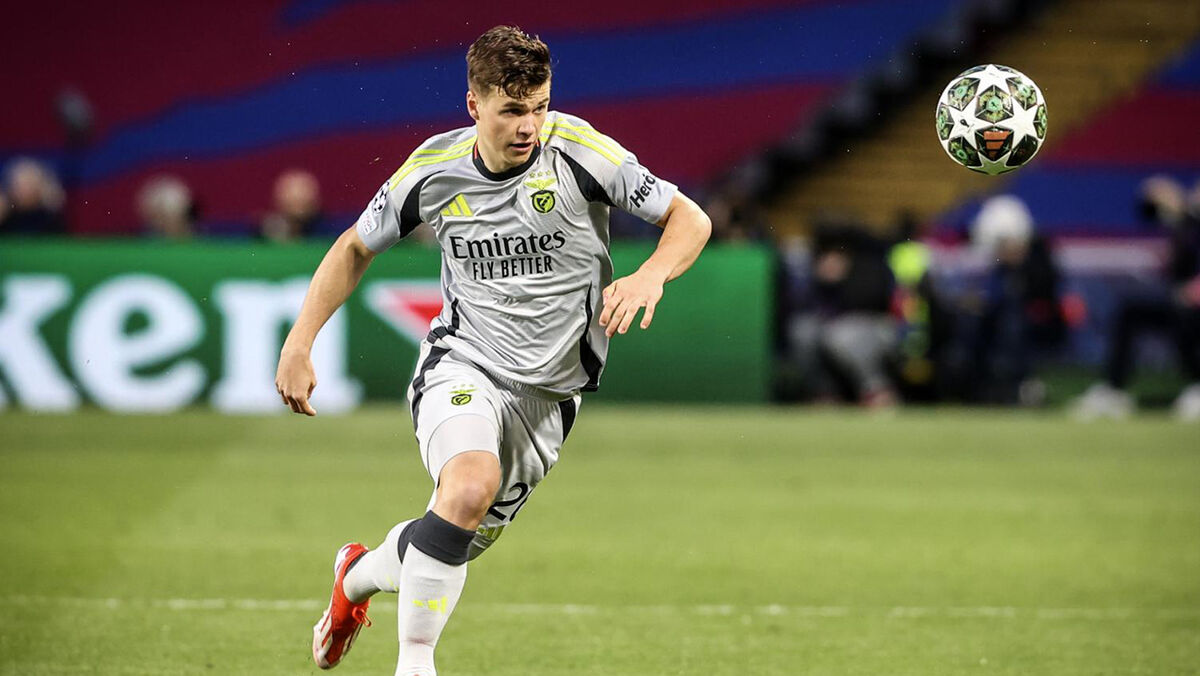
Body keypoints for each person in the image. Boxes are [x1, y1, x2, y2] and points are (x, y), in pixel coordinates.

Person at [274, 26, 711, 674]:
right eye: (512, 110)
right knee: (470, 484)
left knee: (452, 533)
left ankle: (355, 578)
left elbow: (690, 218)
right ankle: (415, 662)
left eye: (540, 106)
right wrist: (299, 340)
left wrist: (652, 274)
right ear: (474, 105)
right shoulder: (433, 171)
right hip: (465, 362)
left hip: (551, 398)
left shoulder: (583, 153)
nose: (529, 125)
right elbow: (355, 246)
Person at [1074, 176, 1200, 420]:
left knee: (1183, 318)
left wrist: (1193, 291)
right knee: (1131, 312)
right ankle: (1114, 390)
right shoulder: (1185, 226)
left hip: (1192, 304)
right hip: (1185, 303)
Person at [0, 158, 67, 236]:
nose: (24, 190)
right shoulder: (6, 216)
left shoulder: (48, 217)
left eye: (29, 184)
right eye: (19, 185)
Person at [260, 169, 329, 242]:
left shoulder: (329, 232)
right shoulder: (261, 233)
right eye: (292, 196)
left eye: (304, 192)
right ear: (277, 199)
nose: (299, 197)